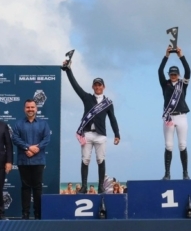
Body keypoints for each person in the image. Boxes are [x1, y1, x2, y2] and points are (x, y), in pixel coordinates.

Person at [62, 56, 120, 194]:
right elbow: (75, 86)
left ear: (103, 87)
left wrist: (117, 134)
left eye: (100, 85)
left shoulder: (108, 103)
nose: (98, 87)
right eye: (96, 85)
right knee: (85, 160)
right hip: (87, 133)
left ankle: (100, 186)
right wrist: (68, 70)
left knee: (100, 160)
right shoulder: (87, 98)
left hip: (101, 135)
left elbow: (113, 119)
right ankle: (84, 186)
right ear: (93, 86)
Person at [11, 99, 51, 220]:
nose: (30, 109)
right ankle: (25, 214)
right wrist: (27, 147)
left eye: (32, 107)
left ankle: (38, 214)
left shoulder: (43, 124)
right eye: (28, 107)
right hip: (24, 160)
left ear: (36, 109)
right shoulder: (18, 124)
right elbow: (15, 138)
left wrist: (36, 148)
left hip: (38, 160)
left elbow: (47, 138)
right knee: (25, 188)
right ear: (24, 109)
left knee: (38, 188)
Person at [158, 45, 191, 180]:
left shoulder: (183, 84)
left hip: (182, 117)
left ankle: (185, 173)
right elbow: (159, 70)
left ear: (178, 75)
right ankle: (167, 174)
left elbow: (188, 70)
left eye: (175, 74)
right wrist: (166, 55)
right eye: (171, 74)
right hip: (169, 117)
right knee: (168, 145)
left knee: (182, 145)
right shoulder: (164, 84)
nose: (173, 76)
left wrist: (180, 56)